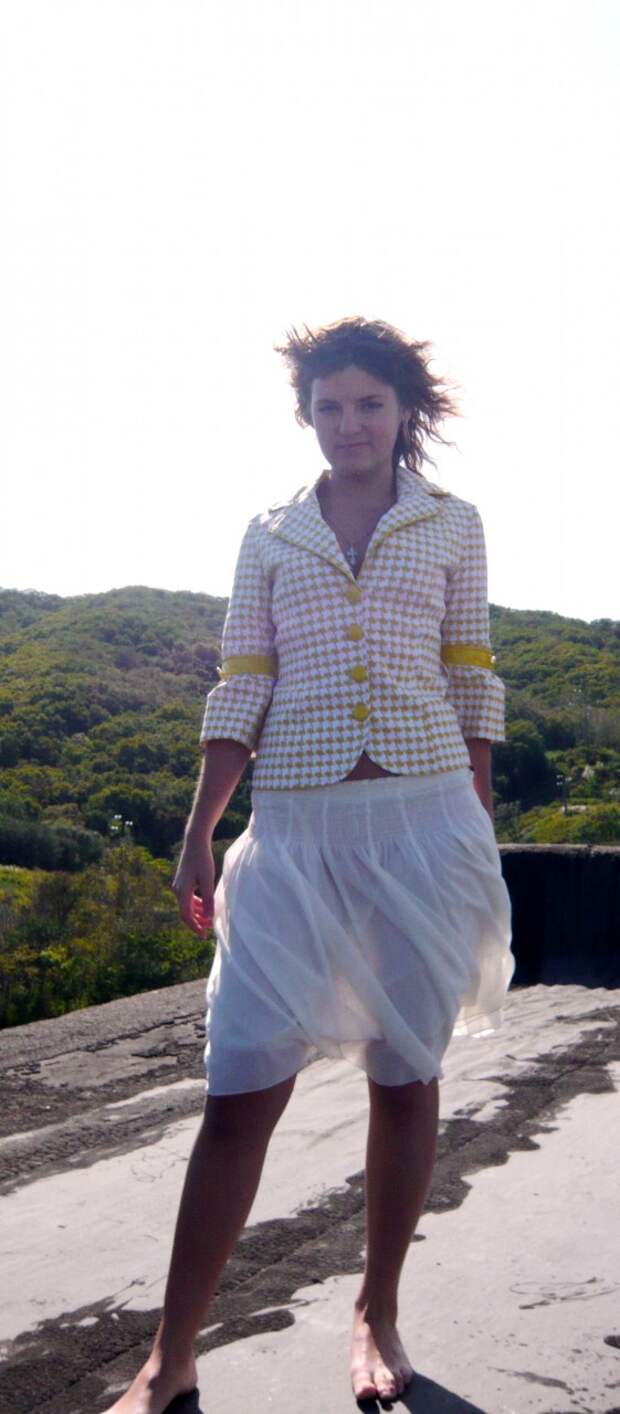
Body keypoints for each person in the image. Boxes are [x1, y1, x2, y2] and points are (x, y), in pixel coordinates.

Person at [105, 316, 515, 1412]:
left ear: (404, 410)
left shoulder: (452, 523)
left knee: (406, 1073)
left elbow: (469, 676)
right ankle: (171, 1355)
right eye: (329, 406)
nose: (350, 424)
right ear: (307, 416)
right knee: (240, 1086)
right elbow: (242, 682)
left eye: (369, 403)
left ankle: (377, 1309)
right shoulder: (270, 534)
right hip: (292, 832)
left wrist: (476, 829)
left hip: (424, 821)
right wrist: (199, 830)